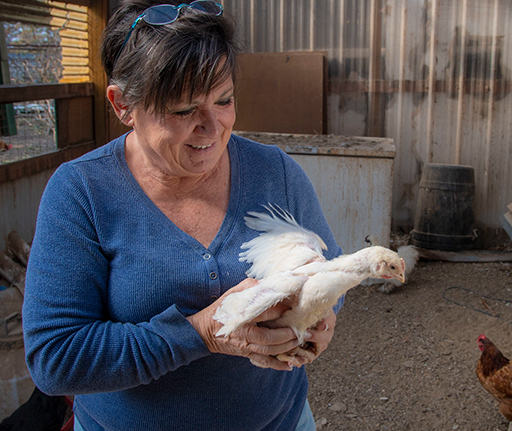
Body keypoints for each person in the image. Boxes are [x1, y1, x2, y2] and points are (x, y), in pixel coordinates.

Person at [22, 1, 343, 430]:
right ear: (122, 106)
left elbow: (328, 272)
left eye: (224, 99)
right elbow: (56, 359)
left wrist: (319, 313)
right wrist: (202, 332)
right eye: (182, 109)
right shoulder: (81, 193)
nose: (213, 126)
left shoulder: (275, 173)